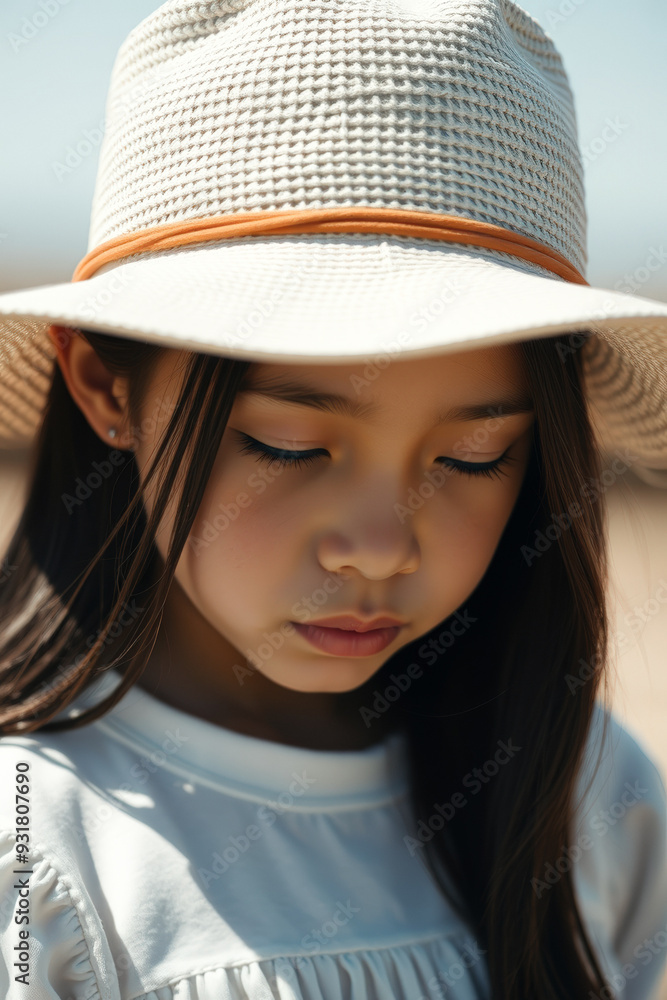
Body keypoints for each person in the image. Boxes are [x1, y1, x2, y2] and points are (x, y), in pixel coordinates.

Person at [0, 1, 666, 997]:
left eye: (477, 456)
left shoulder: (585, 791)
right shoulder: (35, 846)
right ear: (106, 386)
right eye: (288, 444)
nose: (380, 546)